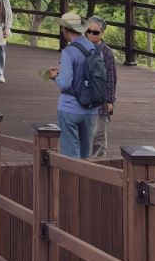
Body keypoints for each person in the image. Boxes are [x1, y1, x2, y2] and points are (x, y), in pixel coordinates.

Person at [49, 12, 99, 158]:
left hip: (70, 107)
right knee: (84, 155)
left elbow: (65, 84)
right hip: (90, 108)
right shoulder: (96, 50)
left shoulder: (69, 51)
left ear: (65, 30)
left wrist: (55, 77)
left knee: (70, 156)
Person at [85, 16, 117, 157]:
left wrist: (109, 100)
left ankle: (98, 163)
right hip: (84, 97)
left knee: (98, 134)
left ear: (102, 33)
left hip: (101, 99)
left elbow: (111, 77)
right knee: (84, 133)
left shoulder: (107, 52)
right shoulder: (81, 48)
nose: (91, 34)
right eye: (88, 31)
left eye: (95, 32)